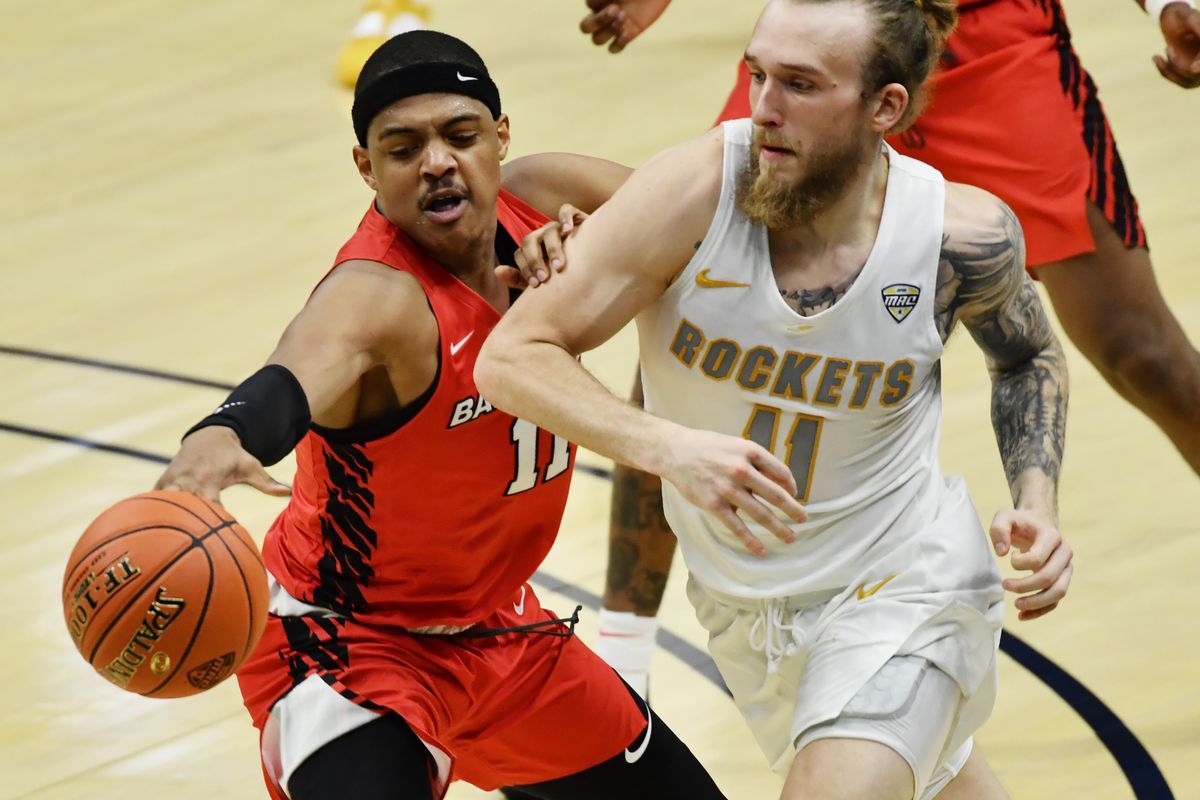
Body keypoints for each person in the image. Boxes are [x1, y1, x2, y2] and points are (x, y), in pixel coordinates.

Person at [477, 1, 1076, 798]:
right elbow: (512, 358)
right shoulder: (691, 194)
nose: (763, 107)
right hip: (750, 615)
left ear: (883, 107)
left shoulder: (958, 237)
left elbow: (1029, 352)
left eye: (799, 85)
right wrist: (668, 447)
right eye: (758, 73)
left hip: (907, 587)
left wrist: (1037, 499)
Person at [155, 30, 725, 800]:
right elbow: (294, 371)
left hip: (503, 635)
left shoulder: (551, 196)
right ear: (366, 168)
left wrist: (604, 257)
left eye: (461, 135)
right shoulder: (378, 296)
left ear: (500, 136)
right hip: (351, 649)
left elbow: (726, 237)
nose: (437, 163)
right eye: (402, 147)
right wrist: (222, 433)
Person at [575, 0, 1200, 700]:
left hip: (990, 44)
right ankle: (623, 666)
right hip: (835, 51)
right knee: (698, 318)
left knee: (1139, 349)